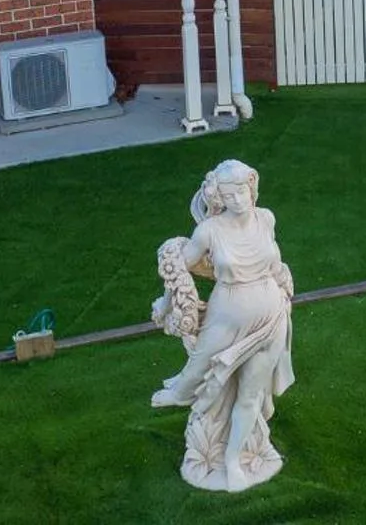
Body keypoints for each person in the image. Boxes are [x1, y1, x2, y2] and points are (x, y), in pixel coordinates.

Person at [150, 159, 296, 492]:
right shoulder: (209, 231)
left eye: (243, 191)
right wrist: (168, 303)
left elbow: (275, 264)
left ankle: (232, 461)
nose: (239, 200)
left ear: (252, 188)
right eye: (229, 195)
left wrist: (286, 290)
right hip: (227, 313)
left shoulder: (266, 219)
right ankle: (179, 393)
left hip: (270, 316)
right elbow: (179, 268)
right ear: (219, 198)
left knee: (250, 395)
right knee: (201, 368)